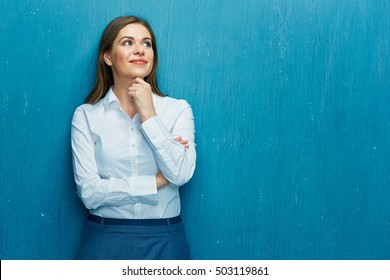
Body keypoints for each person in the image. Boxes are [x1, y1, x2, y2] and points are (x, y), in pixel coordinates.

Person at [71, 15, 196, 260]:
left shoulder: (178, 110)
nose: (139, 49)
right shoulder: (86, 116)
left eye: (146, 43)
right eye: (128, 42)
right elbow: (89, 193)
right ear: (108, 57)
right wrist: (156, 182)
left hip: (166, 240)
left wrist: (149, 114)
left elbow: (180, 174)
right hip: (104, 239)